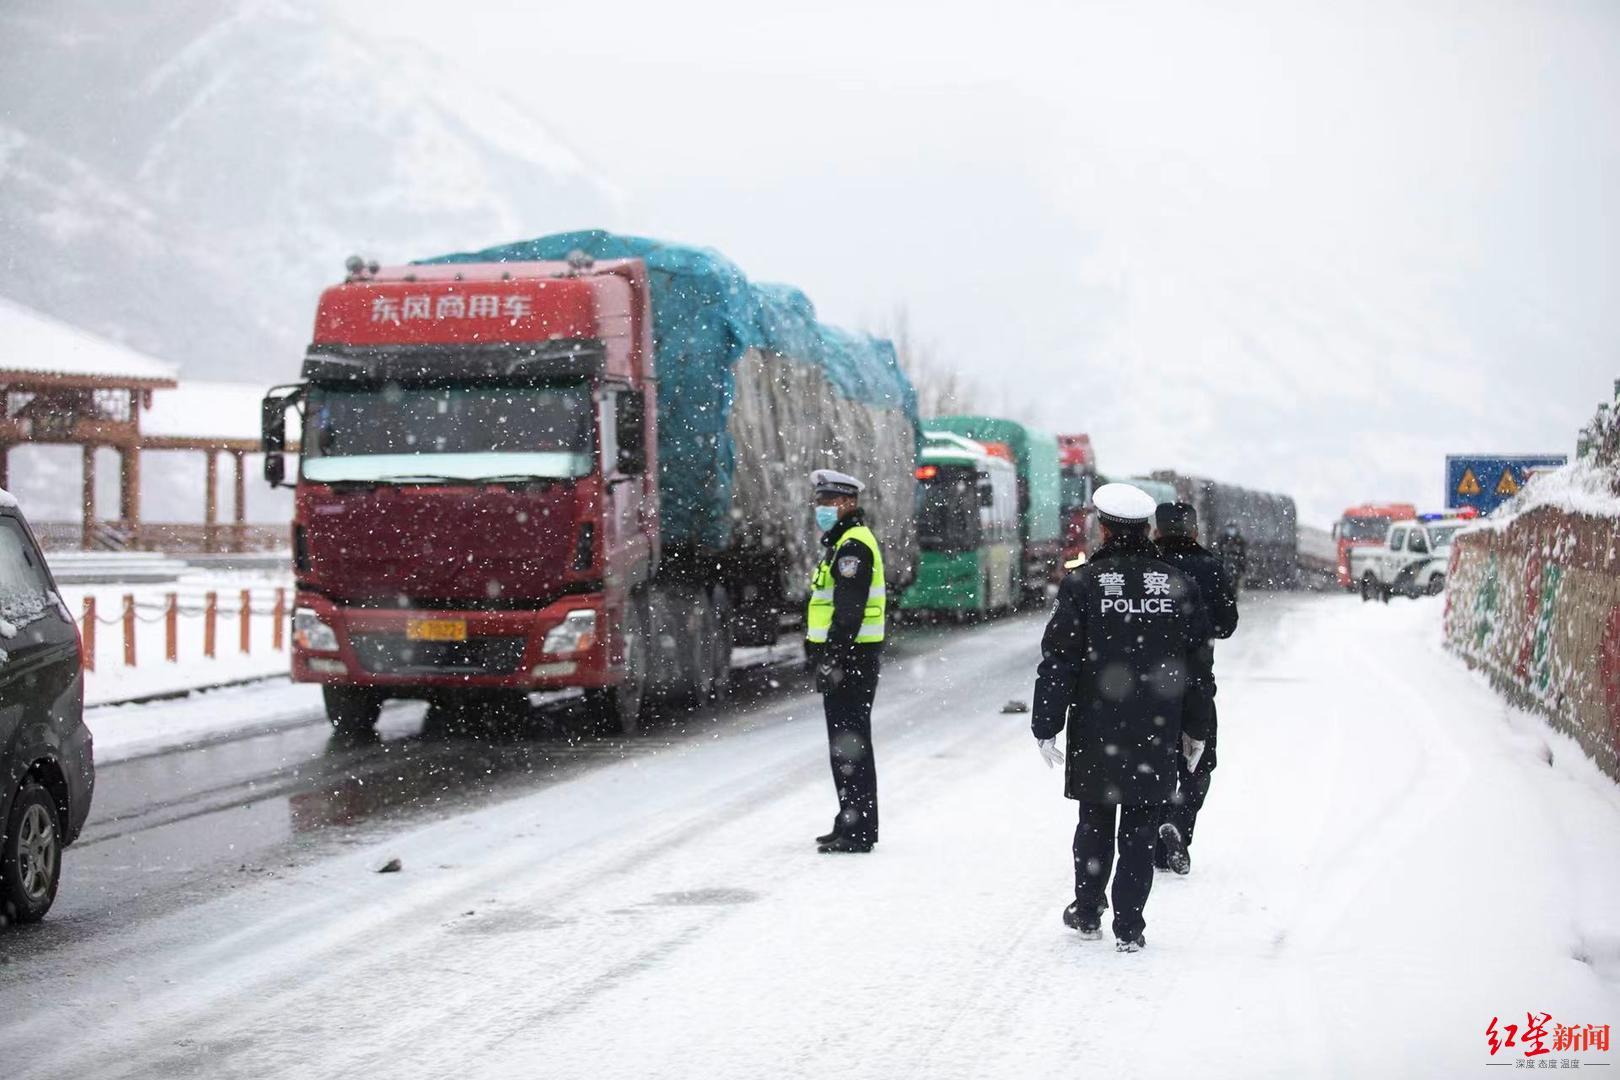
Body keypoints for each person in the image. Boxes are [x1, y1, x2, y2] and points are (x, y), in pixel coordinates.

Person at [1032, 483, 1214, 952]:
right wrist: (1198, 727)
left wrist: (1046, 722)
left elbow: (1059, 660)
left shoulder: (1084, 584)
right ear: (1148, 529)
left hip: (1097, 723)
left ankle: (1089, 910)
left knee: (1094, 819)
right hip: (1157, 724)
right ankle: (1129, 926)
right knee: (1140, 824)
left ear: (1104, 527)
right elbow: (1198, 666)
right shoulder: (1177, 586)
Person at [1153, 502, 1238, 875]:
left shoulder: (1148, 566)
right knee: (1198, 758)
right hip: (1195, 681)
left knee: (1153, 762)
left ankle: (1156, 836)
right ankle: (1178, 822)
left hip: (1147, 683)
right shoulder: (1210, 567)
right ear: (1194, 531)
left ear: (1157, 530)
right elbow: (1227, 623)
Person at [805, 468, 887, 854]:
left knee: (850, 744)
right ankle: (849, 819)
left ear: (848, 503)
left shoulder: (853, 546)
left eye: (828, 502)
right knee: (845, 744)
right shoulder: (843, 542)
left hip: (851, 659)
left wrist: (831, 659)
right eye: (819, 501)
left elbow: (849, 611)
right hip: (850, 658)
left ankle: (858, 829)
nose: (821, 508)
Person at [1217, 521, 1248, 587]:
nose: (1231, 530)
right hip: (1225, 561)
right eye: (1230, 527)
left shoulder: (1239, 539)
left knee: (1235, 581)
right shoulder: (1223, 538)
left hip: (1236, 562)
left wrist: (1242, 566)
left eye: (1232, 527)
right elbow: (1219, 550)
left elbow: (1242, 552)